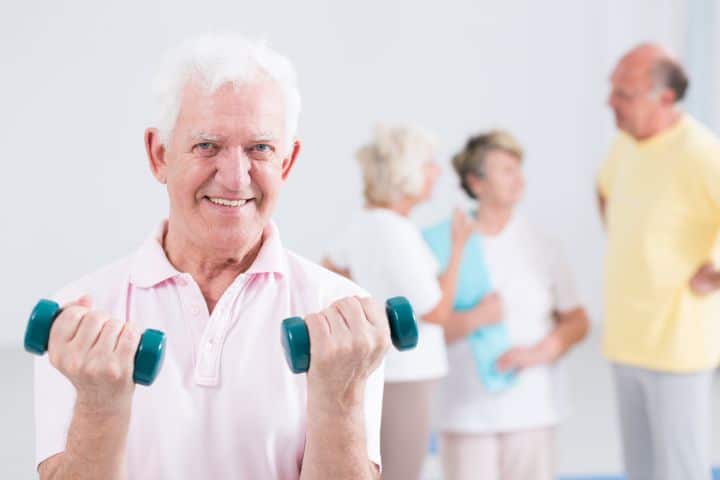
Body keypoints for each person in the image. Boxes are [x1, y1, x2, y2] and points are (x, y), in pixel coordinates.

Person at [34, 33, 390, 480]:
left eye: (259, 148)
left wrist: (338, 395)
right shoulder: (74, 321)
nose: (236, 177)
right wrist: (98, 407)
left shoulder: (346, 319)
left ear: (287, 162)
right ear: (159, 154)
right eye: (207, 146)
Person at [322, 125, 502, 480]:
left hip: (386, 371)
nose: (437, 172)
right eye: (429, 164)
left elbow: (330, 266)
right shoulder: (396, 232)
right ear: (407, 173)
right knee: (401, 470)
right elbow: (436, 311)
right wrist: (458, 246)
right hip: (406, 374)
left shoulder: (365, 222)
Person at [435, 130, 589, 480]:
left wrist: (542, 351)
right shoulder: (445, 244)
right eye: (506, 170)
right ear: (476, 182)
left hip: (532, 409)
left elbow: (577, 320)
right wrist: (476, 318)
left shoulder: (543, 244)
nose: (518, 179)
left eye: (519, 169)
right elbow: (429, 332)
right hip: (466, 412)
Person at [598, 44, 720, 480]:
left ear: (664, 99)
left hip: (678, 346)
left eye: (624, 94)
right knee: (641, 472)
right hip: (626, 340)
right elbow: (604, 190)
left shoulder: (702, 151)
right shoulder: (623, 146)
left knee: (680, 472)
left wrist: (714, 273)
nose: (611, 102)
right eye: (612, 90)